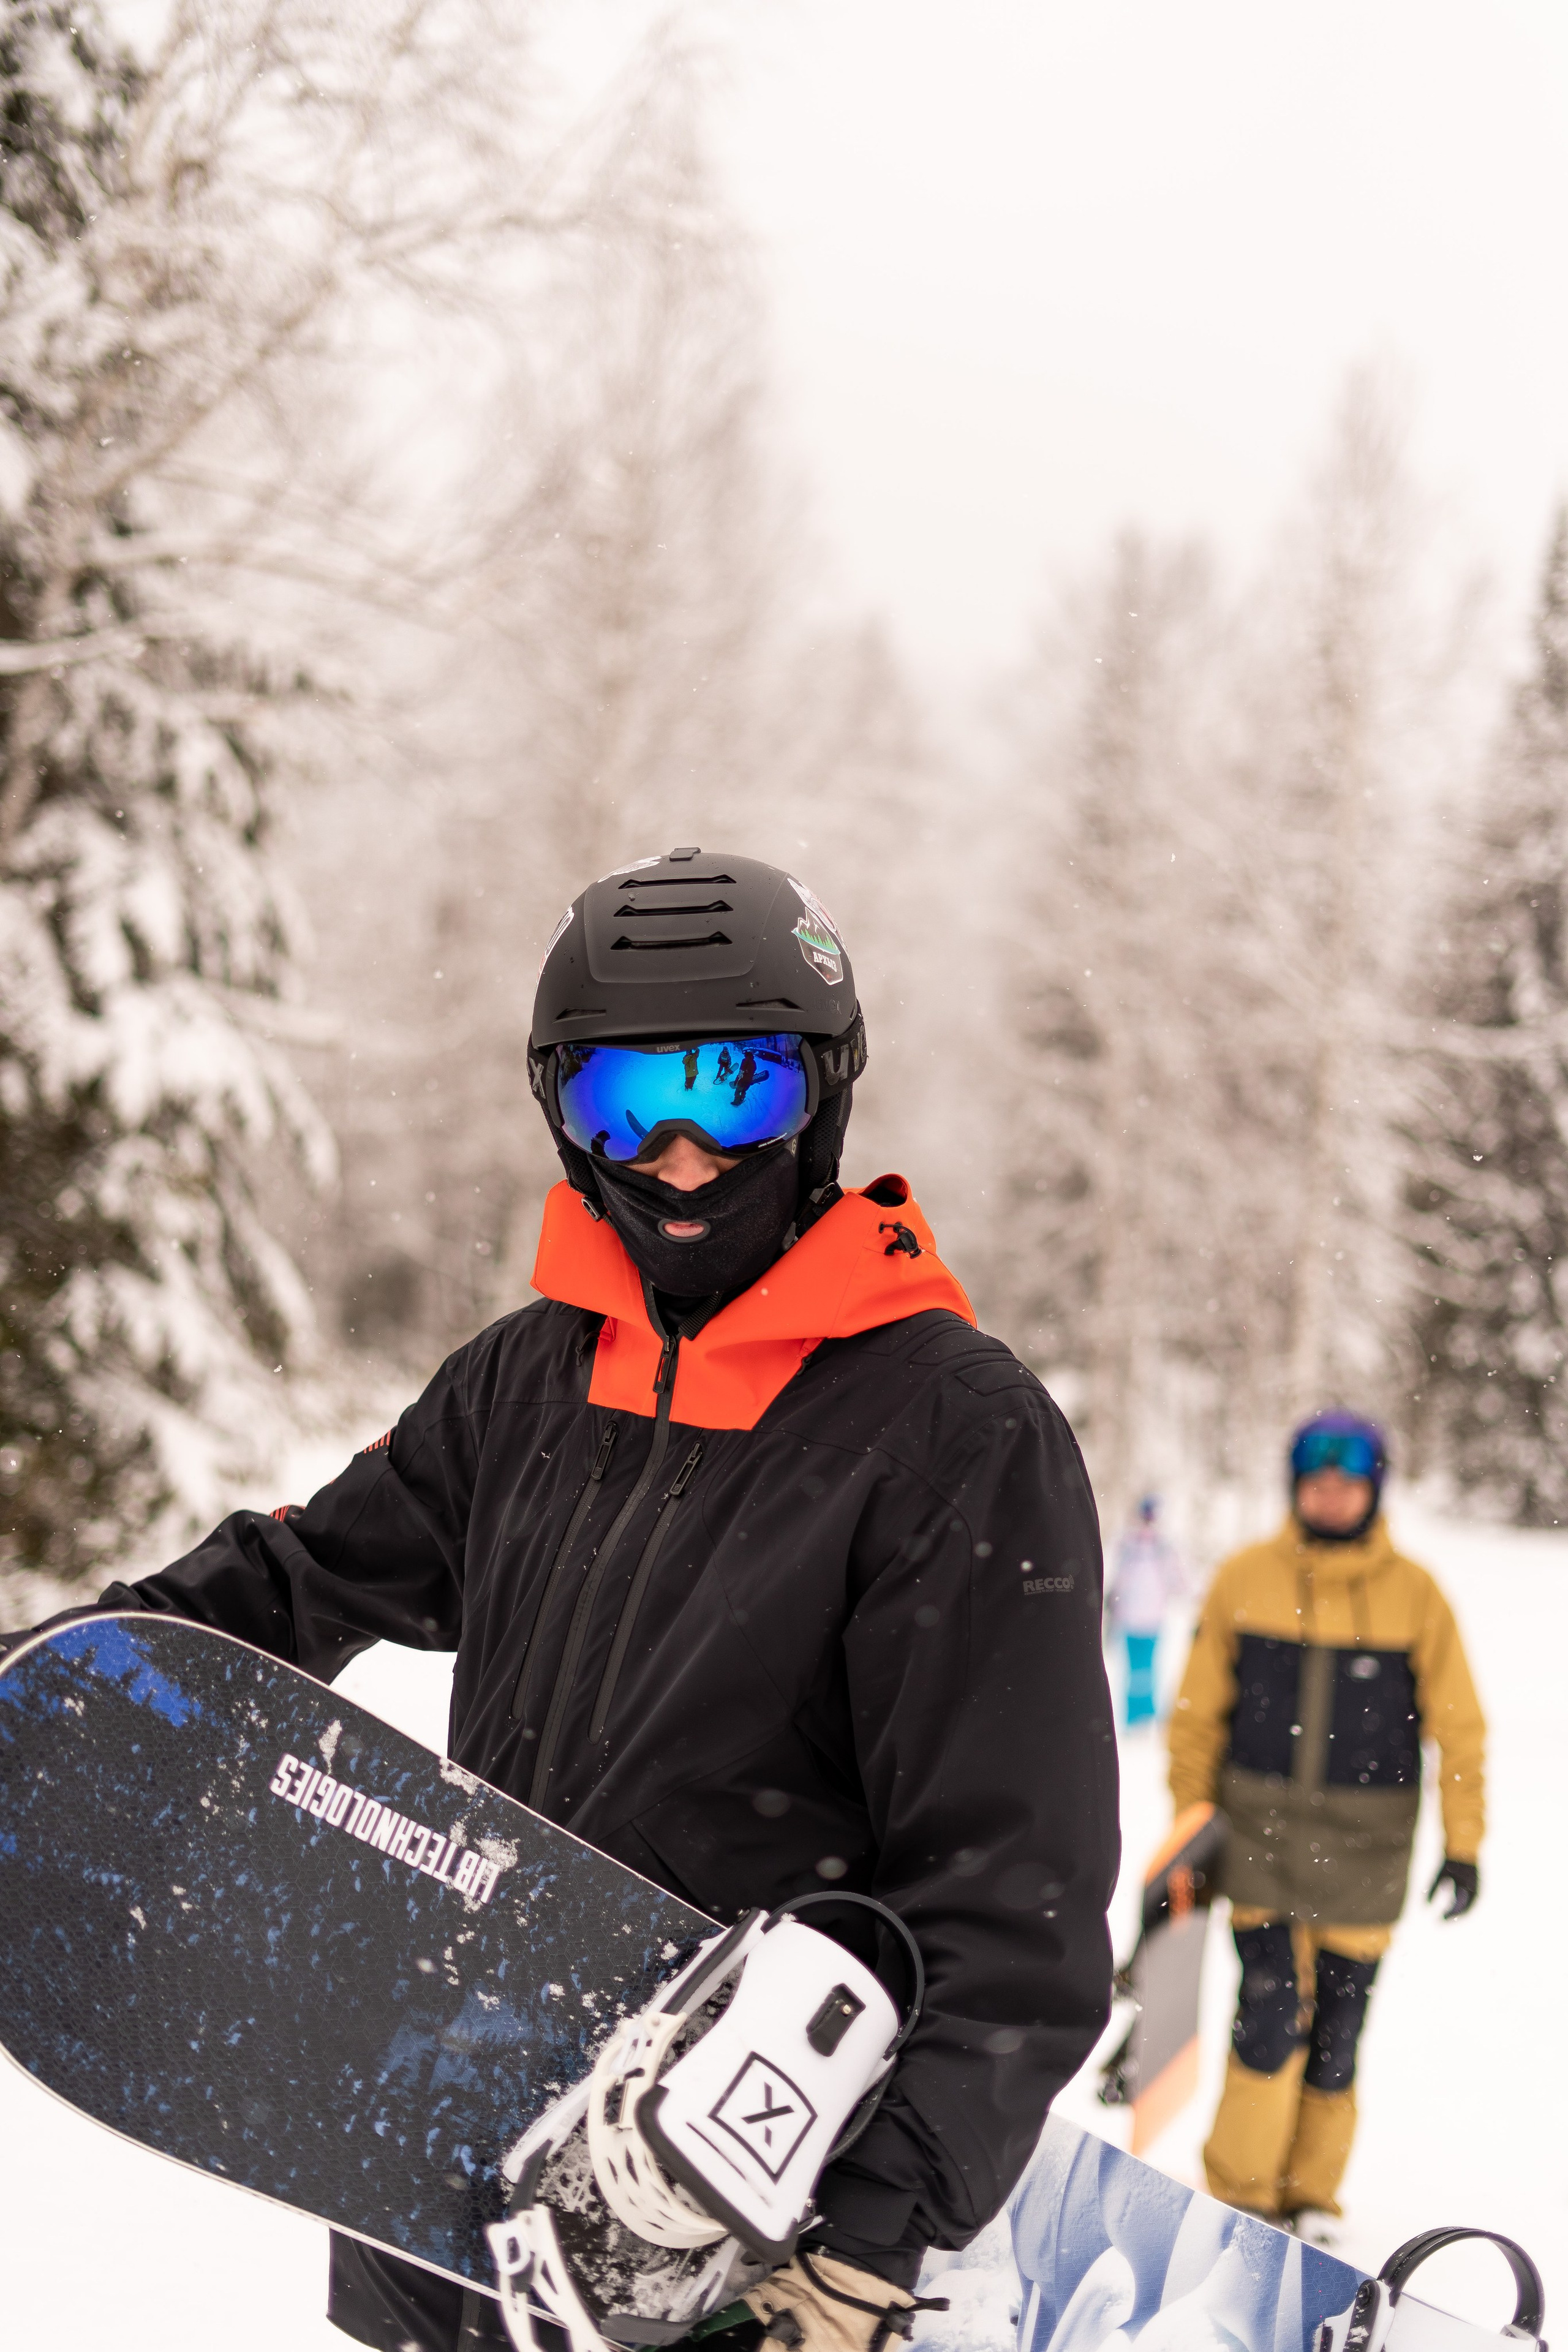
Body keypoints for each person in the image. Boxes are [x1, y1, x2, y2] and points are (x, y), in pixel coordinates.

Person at [32, 851, 1119, 2352]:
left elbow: (1011, 1891)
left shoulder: (950, 1433)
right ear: (561, 1111)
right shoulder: (525, 1381)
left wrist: (872, 2239)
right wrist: (63, 1684)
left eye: (734, 1091)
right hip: (447, 2188)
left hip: (734, 2231)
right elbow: (300, 1577)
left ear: (822, 1095)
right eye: (625, 1101)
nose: (680, 1156)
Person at [1169, 1408, 1485, 2242]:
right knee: (1270, 2013)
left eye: (1349, 1484)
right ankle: (1240, 2194)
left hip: (1367, 1849)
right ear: (1295, 1488)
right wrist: (1189, 1829)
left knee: (1339, 2032)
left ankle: (1310, 2198)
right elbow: (1196, 1718)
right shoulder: (1244, 1577)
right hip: (1258, 1842)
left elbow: (1460, 1729)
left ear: (1375, 1491)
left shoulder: (1416, 1595)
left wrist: (1464, 1845)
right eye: (1317, 1483)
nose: (1333, 1498)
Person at [1105, 1495, 1188, 1728]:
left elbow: (1177, 1580)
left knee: (1143, 1670)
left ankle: (1143, 1717)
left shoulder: (1159, 1547)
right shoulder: (1131, 1545)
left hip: (1146, 1619)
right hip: (1137, 1619)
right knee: (1140, 1670)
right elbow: (1119, 1579)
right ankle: (1138, 1717)